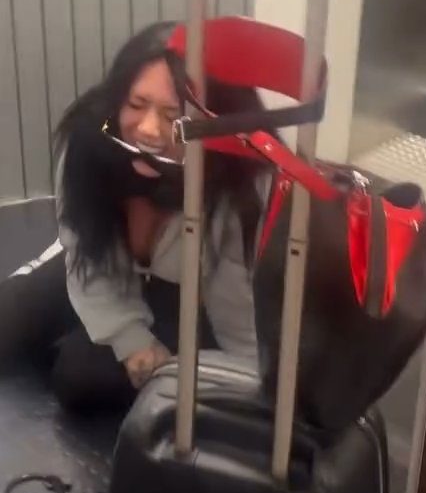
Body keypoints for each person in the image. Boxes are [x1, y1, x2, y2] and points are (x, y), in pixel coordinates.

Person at [0, 21, 270, 413]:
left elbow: (236, 310)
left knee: (79, 374)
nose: (148, 130)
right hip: (100, 263)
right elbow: (83, 248)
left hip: (195, 294)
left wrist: (257, 392)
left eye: (172, 115)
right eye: (137, 105)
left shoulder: (236, 183)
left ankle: (88, 336)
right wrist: (130, 338)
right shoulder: (88, 143)